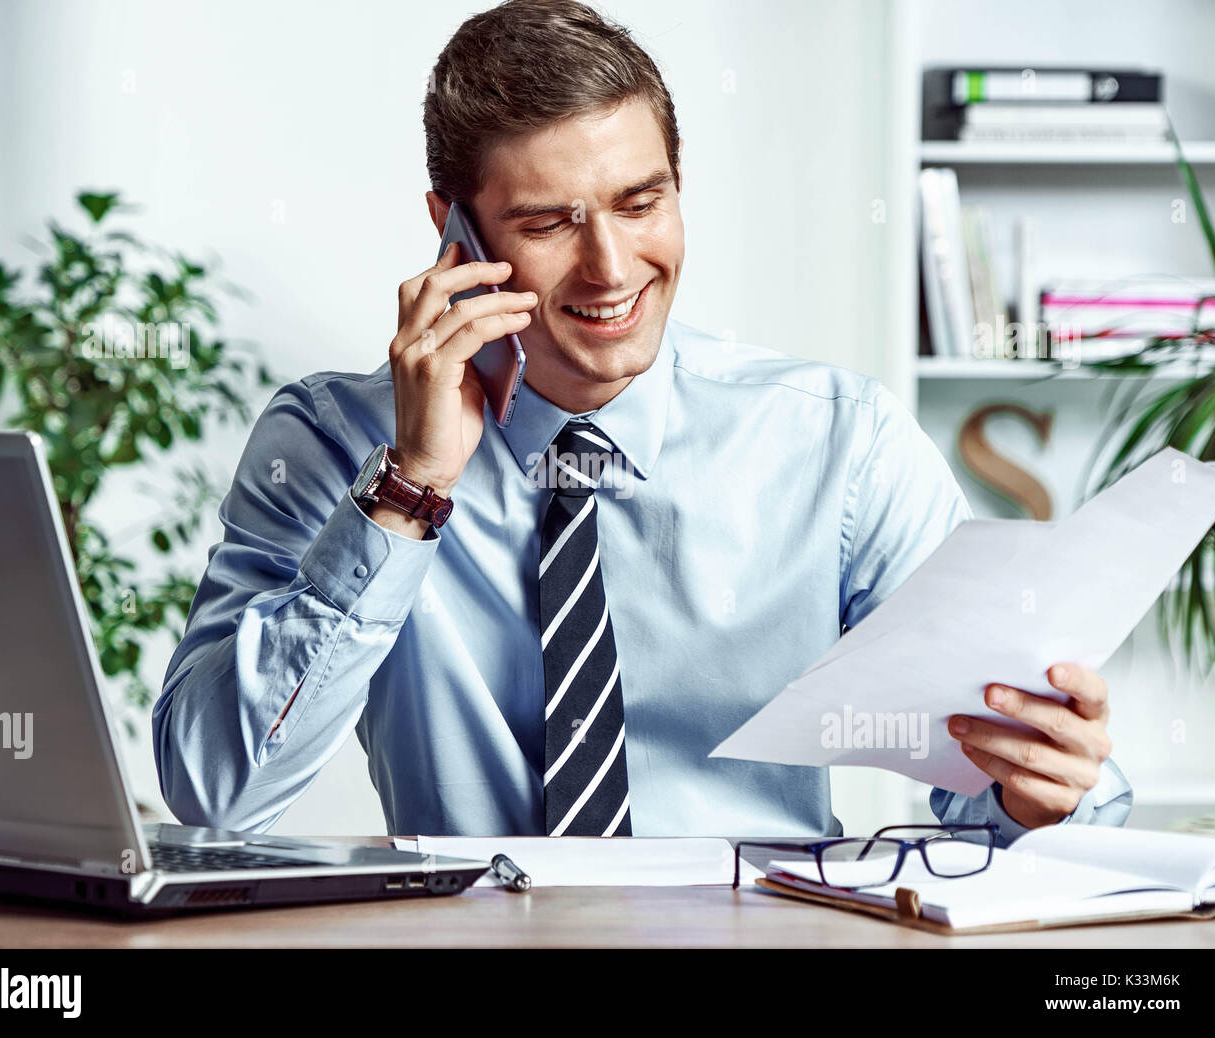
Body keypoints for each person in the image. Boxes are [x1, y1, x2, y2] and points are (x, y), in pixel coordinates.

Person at [153, 0, 1131, 840]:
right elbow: (215, 794)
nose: (611, 270)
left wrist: (1040, 790)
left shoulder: (839, 444)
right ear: (453, 230)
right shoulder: (332, 442)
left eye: (639, 203)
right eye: (548, 223)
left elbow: (1013, 797)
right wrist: (410, 488)